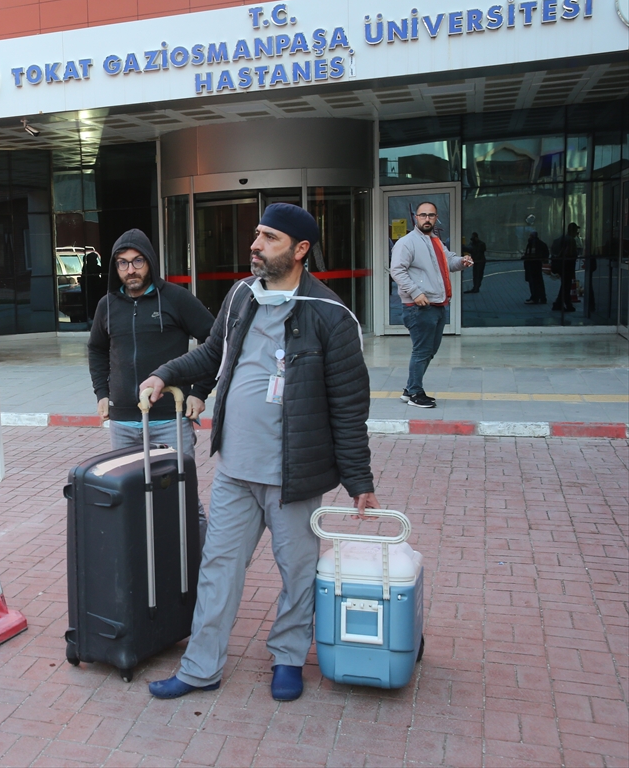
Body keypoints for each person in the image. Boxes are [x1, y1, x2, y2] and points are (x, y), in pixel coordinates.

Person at [140, 203, 378, 703]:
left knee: (297, 573)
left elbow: (349, 408)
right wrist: (166, 373)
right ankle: (201, 667)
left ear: (300, 249)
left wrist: (360, 481)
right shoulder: (241, 295)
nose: (256, 244)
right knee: (218, 569)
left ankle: (288, 658)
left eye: (269, 237)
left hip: (295, 478)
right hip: (235, 472)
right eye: (257, 234)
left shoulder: (331, 315)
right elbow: (211, 352)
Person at [87, 228, 215, 545]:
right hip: (123, 421)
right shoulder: (107, 305)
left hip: (169, 419)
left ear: (150, 262)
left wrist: (200, 392)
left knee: (182, 495)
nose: (131, 269)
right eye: (122, 263)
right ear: (115, 268)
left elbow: (214, 340)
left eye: (138, 261)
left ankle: (204, 567)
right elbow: (96, 349)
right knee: (129, 493)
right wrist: (102, 394)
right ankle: (147, 562)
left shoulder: (175, 298)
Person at [388, 202, 472, 409]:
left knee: (429, 350)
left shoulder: (435, 241)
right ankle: (415, 393)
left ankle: (410, 390)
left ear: (436, 218)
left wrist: (462, 261)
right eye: (423, 215)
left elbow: (448, 262)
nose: (427, 219)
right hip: (420, 307)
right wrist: (416, 293)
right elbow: (397, 270)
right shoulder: (407, 242)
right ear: (415, 218)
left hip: (437, 304)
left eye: (431, 215)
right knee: (422, 351)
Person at [551, 223, 580, 313]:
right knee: (566, 286)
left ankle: (558, 304)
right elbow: (570, 254)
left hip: (559, 266)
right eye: (576, 231)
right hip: (567, 266)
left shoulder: (559, 239)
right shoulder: (571, 240)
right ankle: (567, 304)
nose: (577, 233)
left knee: (564, 286)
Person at [521, 231, 550, 304]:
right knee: (539, 282)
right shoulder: (540, 243)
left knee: (533, 282)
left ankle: (535, 297)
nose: (529, 237)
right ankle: (542, 297)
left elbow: (531, 254)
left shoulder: (532, 244)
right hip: (537, 265)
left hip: (532, 265)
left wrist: (525, 257)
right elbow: (545, 254)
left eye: (530, 236)